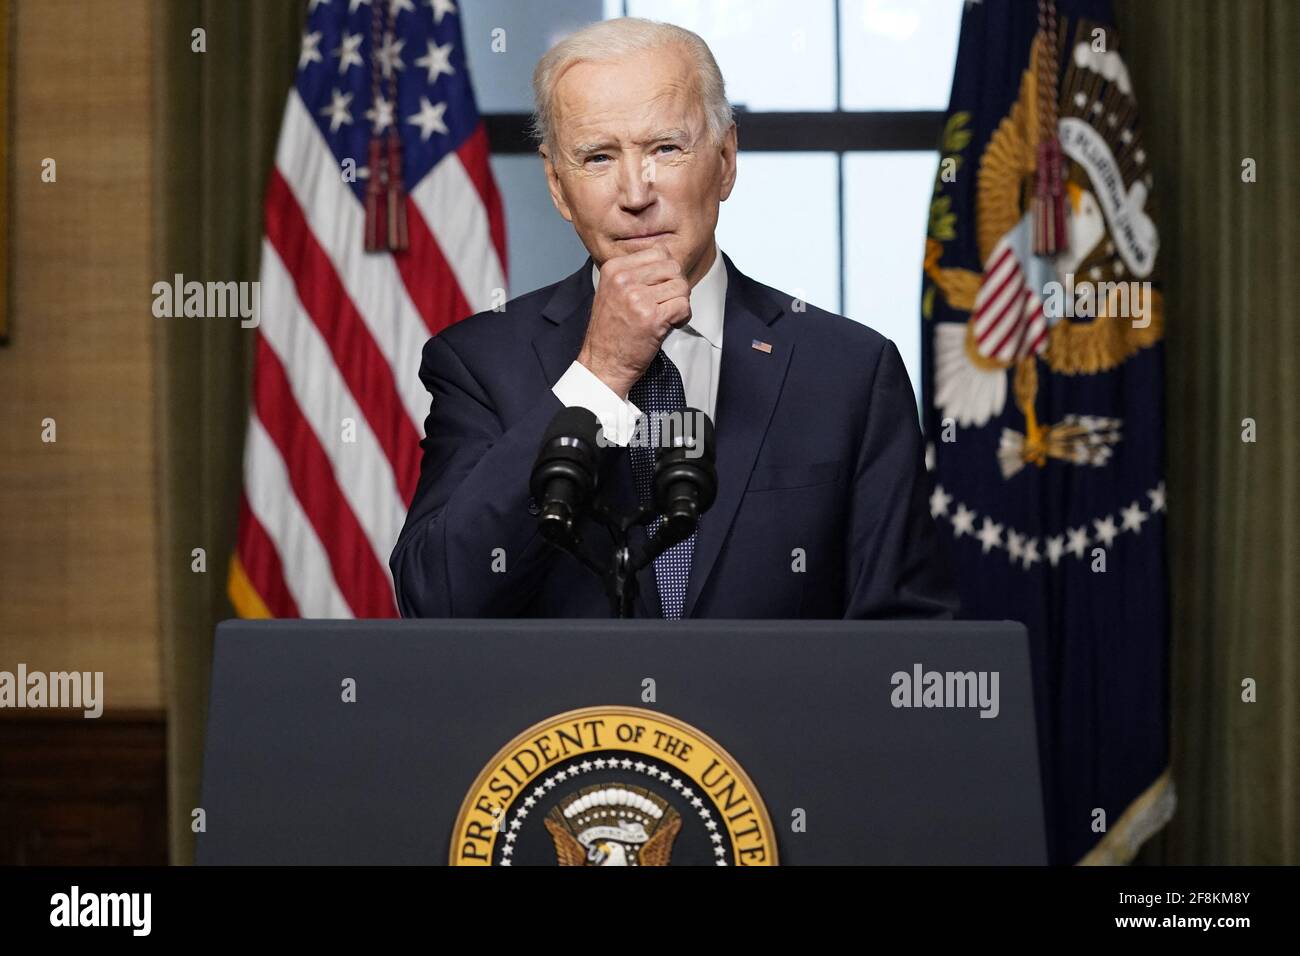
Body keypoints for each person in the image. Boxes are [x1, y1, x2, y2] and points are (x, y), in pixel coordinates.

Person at [391, 17, 957, 620]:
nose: (636, 193)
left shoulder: (849, 373)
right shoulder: (477, 364)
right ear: (558, 187)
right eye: (598, 157)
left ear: (726, 159)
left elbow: (904, 640)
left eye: (665, 148)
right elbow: (436, 598)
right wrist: (599, 374)